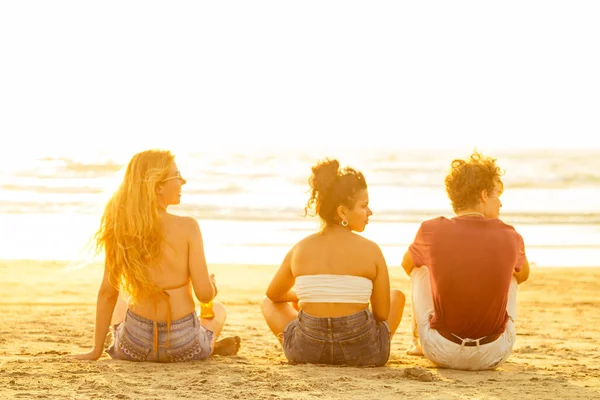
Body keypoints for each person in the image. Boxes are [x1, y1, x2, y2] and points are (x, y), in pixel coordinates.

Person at [71, 149, 240, 362]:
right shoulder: (188, 227)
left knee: (123, 295)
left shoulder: (122, 226)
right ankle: (210, 344)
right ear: (158, 186)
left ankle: (114, 340)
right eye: (177, 176)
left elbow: (107, 292)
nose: (183, 181)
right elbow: (204, 295)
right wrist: (212, 287)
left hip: (134, 346)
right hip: (183, 346)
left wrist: (95, 351)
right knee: (217, 309)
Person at [261, 158, 405, 366]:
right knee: (397, 297)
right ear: (342, 212)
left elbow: (273, 295)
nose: (370, 212)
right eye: (364, 206)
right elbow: (382, 314)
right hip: (364, 353)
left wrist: (304, 296)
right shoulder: (372, 250)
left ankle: (297, 341)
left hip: (306, 351)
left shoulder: (300, 248)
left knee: (267, 304)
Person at [402, 150, 530, 370]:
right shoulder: (510, 235)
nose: (500, 203)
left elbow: (406, 265)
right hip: (493, 353)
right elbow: (524, 275)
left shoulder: (430, 230)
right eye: (496, 195)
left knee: (419, 269)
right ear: (483, 195)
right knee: (513, 275)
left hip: (441, 351)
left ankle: (417, 342)